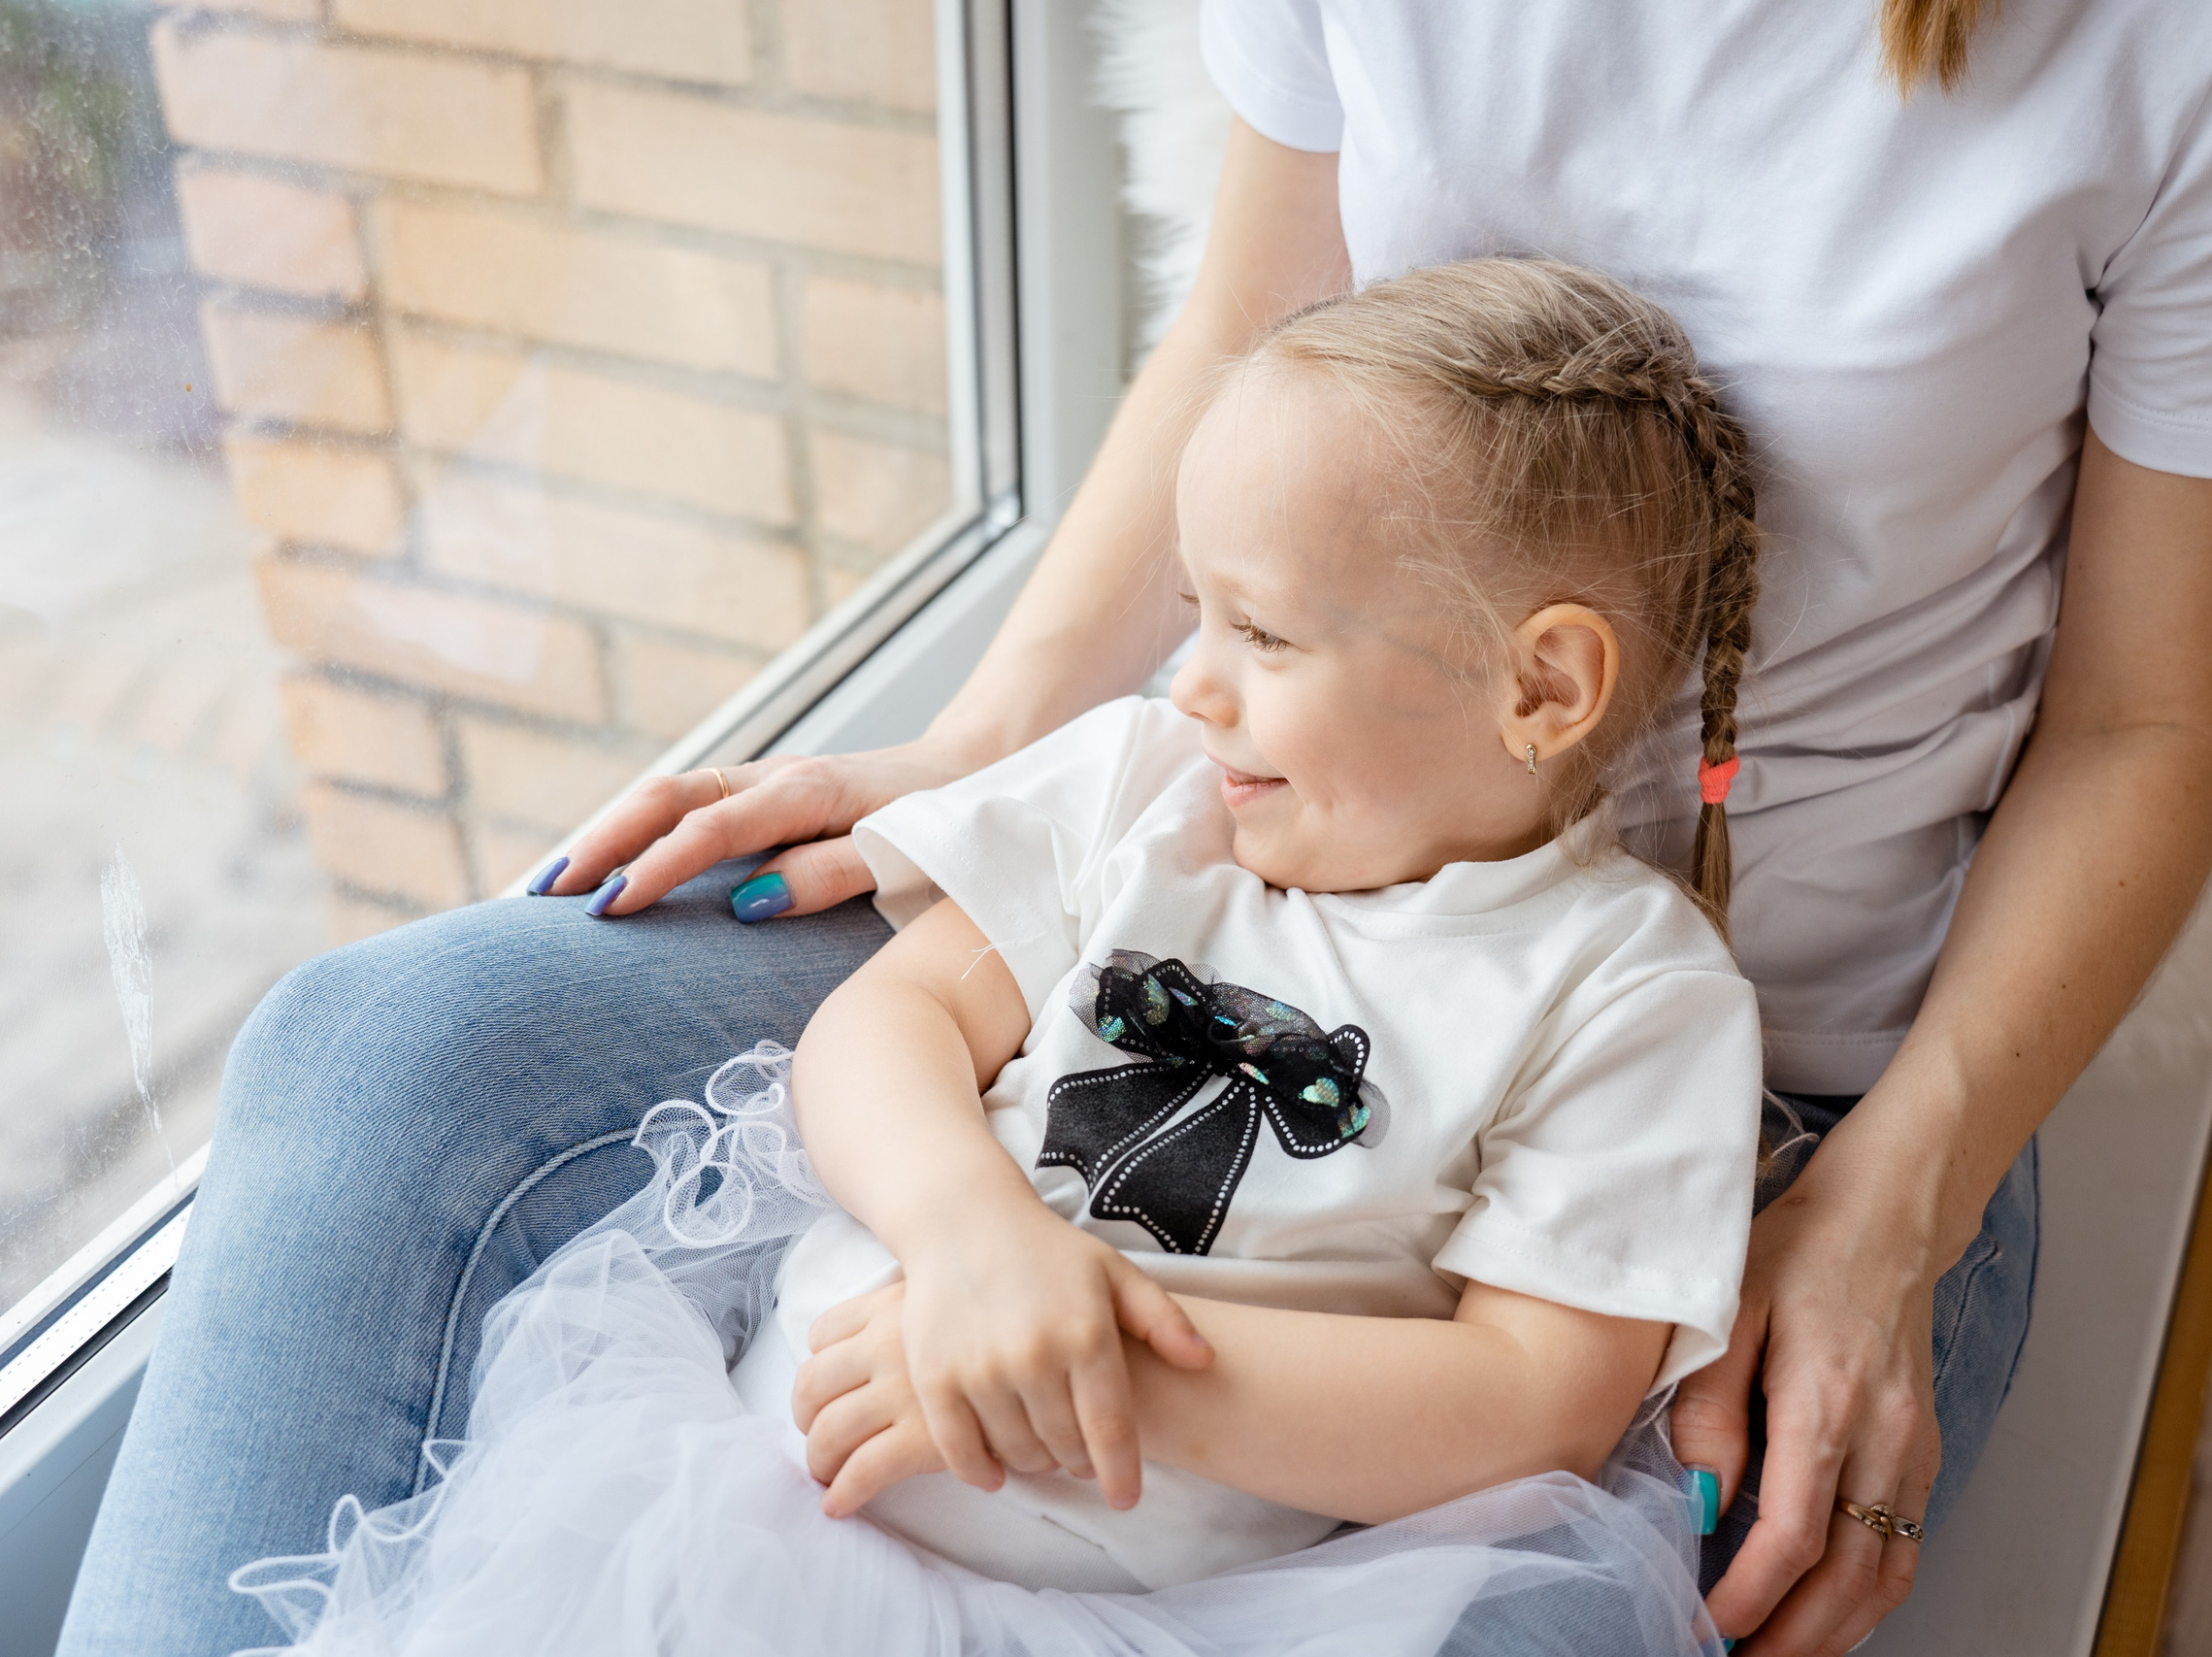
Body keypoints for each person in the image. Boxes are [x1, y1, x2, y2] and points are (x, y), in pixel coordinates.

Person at [61, 3, 2212, 1654]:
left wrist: (1883, 1213)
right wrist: (981, 759)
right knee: (404, 1050)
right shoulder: (1165, 788)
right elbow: (1243, 344)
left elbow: (2143, 714)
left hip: (1776, 1116)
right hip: (1237, 889)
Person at [227, 259, 1764, 1655]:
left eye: (1268, 637)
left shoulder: (1633, 991)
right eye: (1195, 615)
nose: (1197, 683)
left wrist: (1098, 1368)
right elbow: (888, 1025)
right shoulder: (1141, 787)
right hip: (754, 1514)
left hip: (1143, 1614)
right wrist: (977, 1242)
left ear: (1544, 684)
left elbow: (1529, 1404)